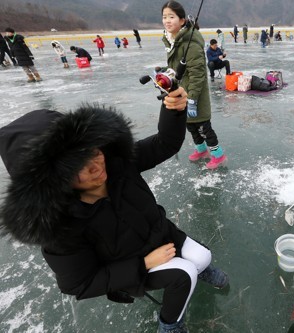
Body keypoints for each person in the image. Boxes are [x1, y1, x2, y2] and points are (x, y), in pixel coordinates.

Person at [0, 90, 229, 333]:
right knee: (184, 274)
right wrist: (143, 264)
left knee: (202, 257)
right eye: (76, 165)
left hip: (162, 235)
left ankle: (202, 269)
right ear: (51, 180)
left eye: (90, 149)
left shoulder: (119, 164)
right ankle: (170, 324)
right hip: (130, 266)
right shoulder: (59, 227)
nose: (95, 165)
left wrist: (173, 110)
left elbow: (166, 143)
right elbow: (80, 283)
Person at [162, 0, 227, 169]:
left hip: (194, 93)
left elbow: (198, 74)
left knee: (204, 127)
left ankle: (218, 155)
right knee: (190, 126)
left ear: (182, 20)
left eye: (171, 16)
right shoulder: (173, 40)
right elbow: (176, 68)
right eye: (164, 17)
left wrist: (193, 99)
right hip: (182, 92)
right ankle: (201, 150)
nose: (167, 20)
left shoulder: (190, 42)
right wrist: (166, 73)